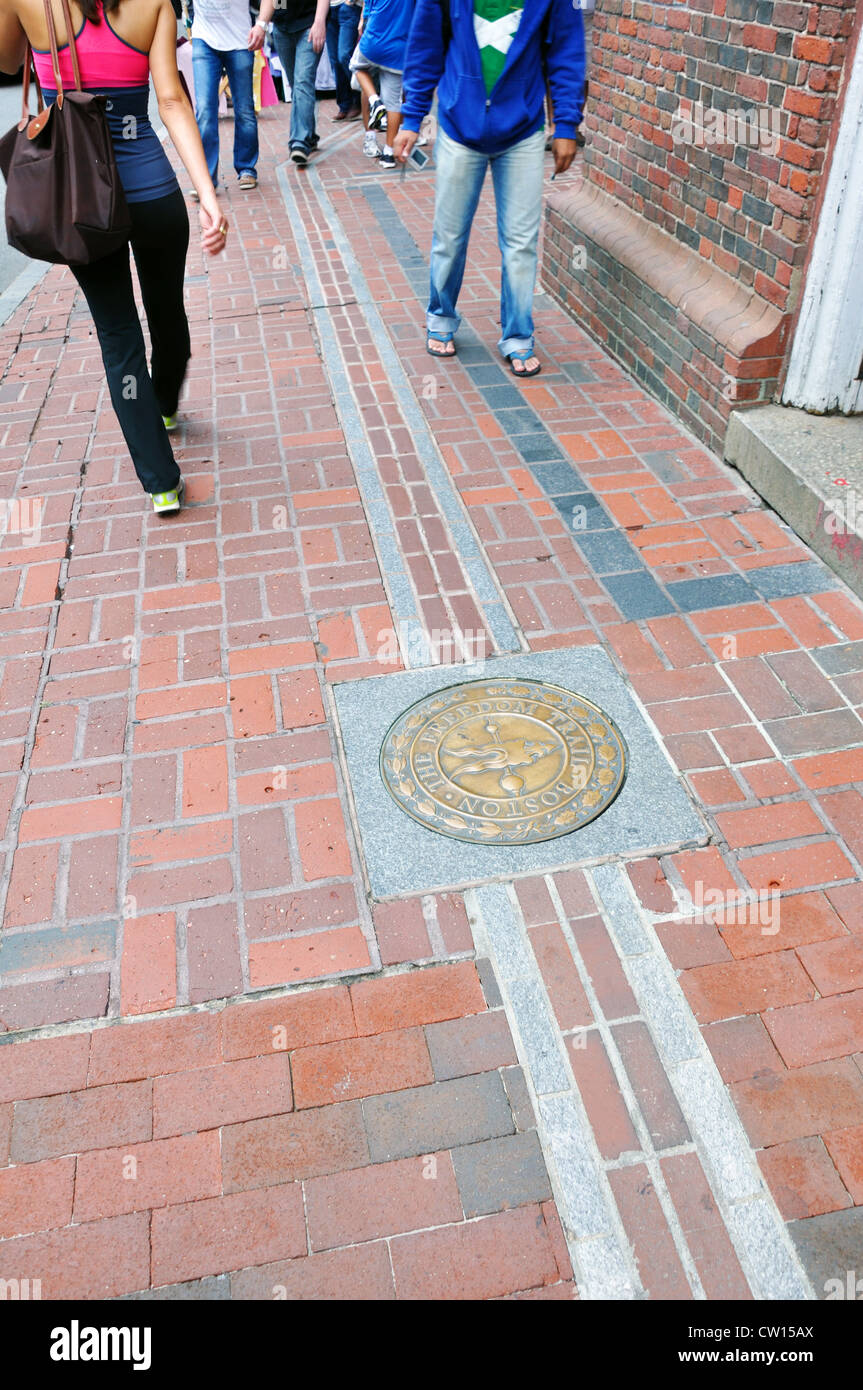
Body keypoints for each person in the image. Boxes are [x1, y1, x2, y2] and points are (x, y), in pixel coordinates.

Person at [0, 0, 227, 514]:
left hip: (84, 205)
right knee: (167, 309)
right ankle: (164, 402)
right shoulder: (156, 5)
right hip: (155, 196)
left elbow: (9, 62)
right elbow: (171, 101)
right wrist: (208, 195)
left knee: (119, 336)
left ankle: (161, 482)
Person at [394, 0, 584, 376]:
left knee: (520, 242)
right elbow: (425, 46)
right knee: (449, 236)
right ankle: (442, 317)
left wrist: (566, 123)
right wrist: (412, 116)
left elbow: (566, 49)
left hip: (523, 130)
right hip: (459, 126)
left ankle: (517, 335)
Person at [190, 0, 275, 191]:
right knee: (204, 109)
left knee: (244, 108)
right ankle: (206, 178)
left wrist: (261, 25)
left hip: (240, 41)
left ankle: (246, 168)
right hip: (204, 39)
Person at [349, 0, 412, 169]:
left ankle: (375, 101)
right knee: (394, 102)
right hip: (399, 46)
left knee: (356, 66)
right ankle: (389, 154)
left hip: (375, 39)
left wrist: (365, 20)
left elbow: (368, 7)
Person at [270, 0, 329, 167]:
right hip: (282, 27)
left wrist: (319, 22)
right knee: (297, 85)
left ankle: (299, 142)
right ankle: (309, 135)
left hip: (309, 24)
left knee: (303, 82)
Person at [326, 0, 360, 121]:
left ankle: (361, 98)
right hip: (328, 9)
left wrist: (350, 2)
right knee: (335, 60)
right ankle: (344, 105)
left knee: (344, 55)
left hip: (347, 7)